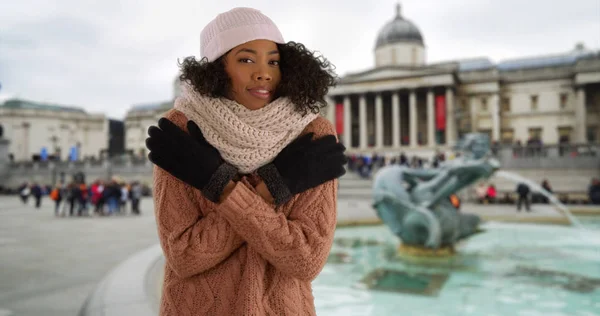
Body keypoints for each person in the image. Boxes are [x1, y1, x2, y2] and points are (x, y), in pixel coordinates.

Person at [144, 7, 346, 316]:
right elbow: (183, 256)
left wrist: (225, 190)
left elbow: (307, 260)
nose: (264, 73)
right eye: (246, 59)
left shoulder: (311, 134)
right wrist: (270, 190)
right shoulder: (181, 131)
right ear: (216, 68)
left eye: (274, 61)